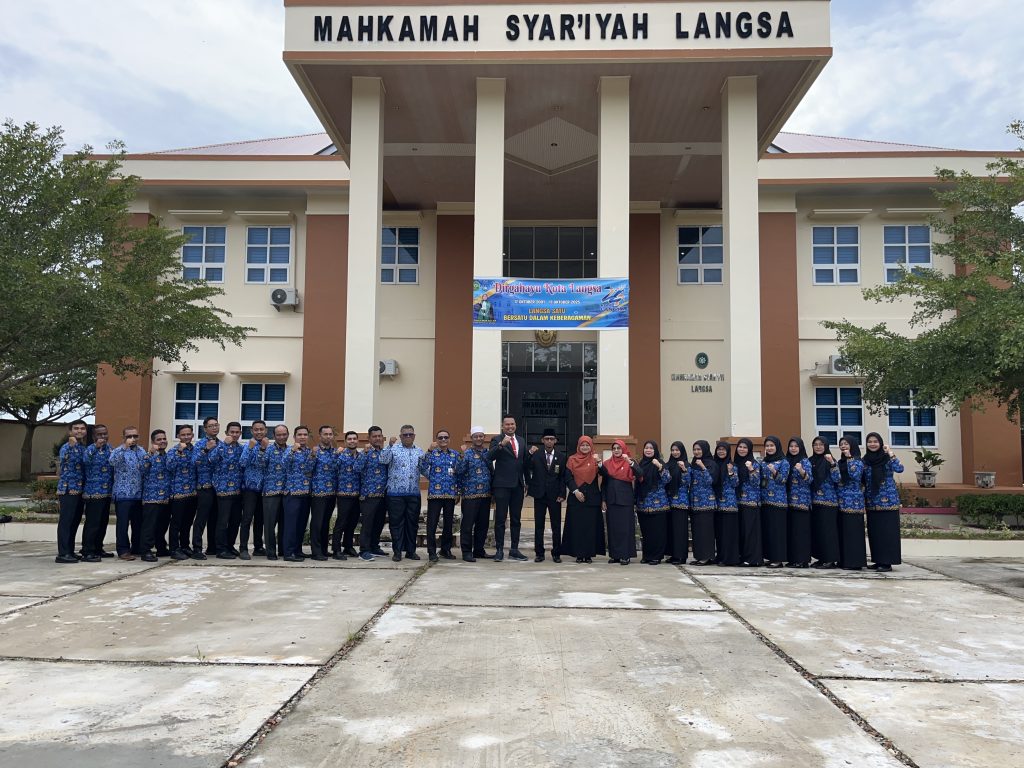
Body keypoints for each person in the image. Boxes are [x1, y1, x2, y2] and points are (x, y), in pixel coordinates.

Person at [488, 415, 530, 562]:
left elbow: (524, 463)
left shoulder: (521, 440)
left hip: (518, 485)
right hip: (502, 485)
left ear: (515, 425)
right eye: (507, 425)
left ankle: (514, 549)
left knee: (516, 519)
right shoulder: (496, 439)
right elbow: (489, 456)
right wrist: (501, 445)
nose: (510, 427)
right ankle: (499, 549)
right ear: (502, 426)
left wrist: (527, 482)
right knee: (500, 519)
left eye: (512, 424)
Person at [380, 425, 425, 562]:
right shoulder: (393, 449)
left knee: (412, 523)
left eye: (410, 434)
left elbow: (424, 469)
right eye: (405, 435)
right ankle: (397, 552)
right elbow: (383, 460)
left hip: (413, 493)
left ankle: (411, 551)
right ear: (400, 436)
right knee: (396, 523)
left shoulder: (419, 451)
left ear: (414, 436)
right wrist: (389, 445)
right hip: (395, 494)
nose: (408, 437)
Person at [863, 432, 904, 572]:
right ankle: (878, 560)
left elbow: (900, 468)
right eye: (869, 442)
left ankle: (887, 562)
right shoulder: (866, 460)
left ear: (880, 443)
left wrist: (891, 453)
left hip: (888, 502)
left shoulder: (887, 458)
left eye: (875, 441)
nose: (872, 444)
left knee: (887, 532)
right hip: (872, 501)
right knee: (875, 533)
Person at [419, 429, 462, 562]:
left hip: (450, 494)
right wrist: (429, 451)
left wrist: (458, 492)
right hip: (435, 495)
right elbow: (421, 466)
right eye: (440, 438)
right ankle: (432, 551)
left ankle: (445, 549)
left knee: (448, 524)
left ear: (449, 439)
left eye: (445, 437)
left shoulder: (455, 454)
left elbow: (459, 473)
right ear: (436, 440)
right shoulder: (432, 454)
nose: (443, 440)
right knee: (432, 524)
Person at [561, 435, 604, 564]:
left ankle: (589, 554)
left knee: (590, 528)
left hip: (592, 499)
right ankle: (578, 554)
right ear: (578, 446)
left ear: (591, 446)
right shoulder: (572, 459)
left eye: (587, 445)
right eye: (582, 445)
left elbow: (605, 475)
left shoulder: (596, 459)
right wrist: (575, 491)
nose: (585, 447)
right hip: (576, 498)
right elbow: (567, 478)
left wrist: (600, 464)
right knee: (577, 527)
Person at [526, 428, 567, 563]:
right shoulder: (536, 455)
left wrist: (562, 493)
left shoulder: (561, 456)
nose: (549, 441)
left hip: (555, 496)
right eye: (547, 439)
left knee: (556, 525)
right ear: (542, 440)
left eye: (552, 439)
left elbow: (562, 477)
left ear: (555, 441)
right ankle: (539, 553)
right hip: (540, 495)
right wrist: (529, 454)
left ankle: (556, 553)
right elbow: (526, 468)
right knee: (539, 525)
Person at [109, 426, 147, 561]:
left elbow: (146, 466)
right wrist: (125, 447)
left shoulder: (141, 451)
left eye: (135, 436)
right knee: (123, 524)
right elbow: (112, 462)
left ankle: (136, 548)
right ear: (123, 438)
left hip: (138, 494)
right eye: (129, 436)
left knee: (138, 524)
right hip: (123, 494)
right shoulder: (118, 450)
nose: (133, 439)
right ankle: (123, 550)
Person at [209, 421, 244, 559]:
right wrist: (224, 444)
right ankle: (221, 549)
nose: (234, 435)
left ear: (240, 434)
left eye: (237, 432)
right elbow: (212, 459)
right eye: (232, 432)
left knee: (235, 521)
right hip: (223, 490)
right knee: (223, 521)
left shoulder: (241, 449)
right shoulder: (219, 446)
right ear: (226, 433)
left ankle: (230, 546)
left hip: (237, 490)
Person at [458, 427, 492, 562]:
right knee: (467, 524)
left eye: (481, 436)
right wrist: (463, 455)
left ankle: (479, 550)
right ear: (472, 438)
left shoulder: (488, 453)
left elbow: (492, 471)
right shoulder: (467, 453)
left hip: (485, 494)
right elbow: (459, 471)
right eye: (476, 436)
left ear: (484, 438)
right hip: (470, 494)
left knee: (483, 524)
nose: (479, 439)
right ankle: (466, 551)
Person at [832, 437, 867, 570]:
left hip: (854, 503)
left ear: (852, 446)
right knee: (843, 532)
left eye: (846, 444)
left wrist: (850, 458)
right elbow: (836, 479)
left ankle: (855, 562)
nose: (843, 446)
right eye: (841, 444)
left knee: (853, 533)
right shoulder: (840, 462)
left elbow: (855, 475)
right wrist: (832, 465)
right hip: (841, 502)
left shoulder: (857, 461)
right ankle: (844, 561)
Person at [55, 419, 88, 564]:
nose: (79, 431)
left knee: (74, 522)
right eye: (76, 428)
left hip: (80, 490)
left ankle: (70, 551)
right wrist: (71, 446)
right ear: (70, 431)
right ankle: (62, 553)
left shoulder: (83, 447)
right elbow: (64, 460)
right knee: (66, 522)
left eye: (82, 428)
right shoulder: (67, 446)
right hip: (68, 489)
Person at [600, 439, 637, 565]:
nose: (616, 450)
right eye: (614, 448)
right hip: (611, 499)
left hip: (625, 500)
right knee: (613, 528)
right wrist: (603, 499)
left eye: (618, 448)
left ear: (623, 449)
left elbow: (639, 473)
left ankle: (625, 555)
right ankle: (615, 555)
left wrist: (630, 462)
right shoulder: (606, 464)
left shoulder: (630, 462)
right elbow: (604, 483)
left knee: (625, 528)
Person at [81, 424, 114, 560]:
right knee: (93, 524)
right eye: (99, 435)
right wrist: (95, 447)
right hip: (93, 492)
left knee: (102, 523)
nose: (103, 437)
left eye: (105, 434)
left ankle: (98, 548)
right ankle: (87, 550)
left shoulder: (110, 448)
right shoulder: (90, 449)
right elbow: (85, 461)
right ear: (94, 436)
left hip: (107, 492)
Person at [282, 425, 315, 561]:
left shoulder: (309, 451)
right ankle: (288, 553)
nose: (302, 437)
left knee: (302, 524)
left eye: (305, 435)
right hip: (292, 492)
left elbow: (310, 469)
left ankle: (297, 550)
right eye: (300, 435)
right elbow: (284, 464)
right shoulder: (290, 449)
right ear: (294, 437)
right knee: (291, 524)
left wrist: (313, 456)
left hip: (306, 493)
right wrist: (292, 452)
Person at [356, 426, 389, 561]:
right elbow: (357, 468)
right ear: (369, 438)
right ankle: (364, 550)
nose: (377, 438)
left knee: (379, 522)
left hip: (383, 494)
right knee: (368, 523)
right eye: (374, 436)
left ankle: (374, 546)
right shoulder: (365, 453)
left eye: (379, 436)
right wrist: (364, 453)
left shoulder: (385, 452)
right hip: (369, 494)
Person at [636, 440, 671, 565]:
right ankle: (647, 555)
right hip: (643, 504)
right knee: (646, 532)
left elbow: (667, 479)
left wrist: (660, 467)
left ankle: (657, 556)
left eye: (651, 448)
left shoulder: (660, 463)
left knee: (658, 532)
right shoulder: (641, 464)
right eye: (646, 448)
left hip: (659, 504)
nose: (648, 450)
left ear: (655, 450)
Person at [166, 425, 198, 560]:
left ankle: (185, 546)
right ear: (178, 436)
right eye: (183, 435)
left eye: (188, 434)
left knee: (187, 522)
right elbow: (170, 467)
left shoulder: (195, 450)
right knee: (176, 523)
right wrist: (179, 451)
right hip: (177, 492)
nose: (186, 437)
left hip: (192, 492)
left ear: (192, 435)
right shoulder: (173, 451)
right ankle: (174, 548)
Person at [260, 424, 291, 560]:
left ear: (288, 435)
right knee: (270, 524)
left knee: (285, 523)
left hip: (287, 492)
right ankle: (271, 552)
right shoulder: (268, 449)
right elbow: (260, 463)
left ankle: (283, 550)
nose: (282, 437)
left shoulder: (291, 450)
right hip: (271, 492)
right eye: (279, 435)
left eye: (284, 434)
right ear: (274, 436)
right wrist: (262, 448)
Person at [191, 417, 220, 559]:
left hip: (219, 487)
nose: (214, 428)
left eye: (216, 425)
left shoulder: (221, 443)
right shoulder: (201, 443)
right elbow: (194, 461)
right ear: (205, 428)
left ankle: (212, 547)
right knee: (201, 518)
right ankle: (197, 548)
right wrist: (206, 450)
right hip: (204, 486)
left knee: (215, 518)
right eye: (211, 426)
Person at [809, 436, 841, 569]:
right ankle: (821, 558)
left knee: (828, 531)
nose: (818, 447)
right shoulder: (810, 461)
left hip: (829, 502)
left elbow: (837, 478)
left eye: (821, 444)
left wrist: (832, 464)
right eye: (815, 444)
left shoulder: (830, 460)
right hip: (814, 501)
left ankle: (830, 559)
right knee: (818, 531)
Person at [140, 430, 171, 562]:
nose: (162, 441)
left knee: (162, 525)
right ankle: (146, 551)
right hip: (152, 497)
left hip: (165, 497)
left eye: (164, 438)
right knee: (150, 525)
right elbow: (142, 469)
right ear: (153, 442)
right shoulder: (149, 456)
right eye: (159, 439)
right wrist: (150, 454)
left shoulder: (168, 456)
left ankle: (161, 547)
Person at [309, 426, 339, 561]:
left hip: (331, 492)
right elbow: (308, 470)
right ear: (320, 436)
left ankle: (324, 549)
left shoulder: (335, 452)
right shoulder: (314, 451)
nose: (328, 436)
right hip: (318, 493)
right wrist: (312, 456)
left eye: (330, 434)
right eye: (325, 434)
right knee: (317, 523)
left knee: (326, 522)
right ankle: (316, 551)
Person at [239, 420, 269, 558]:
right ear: (251, 431)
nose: (259, 432)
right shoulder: (248, 445)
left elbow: (265, 464)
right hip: (250, 488)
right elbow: (242, 463)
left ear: (266, 430)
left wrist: (263, 449)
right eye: (256, 430)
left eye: (261, 429)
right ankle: (243, 548)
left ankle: (258, 547)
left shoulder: (270, 446)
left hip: (264, 488)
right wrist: (252, 448)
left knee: (260, 519)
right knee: (247, 518)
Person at [760, 435, 789, 568]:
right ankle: (770, 557)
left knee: (777, 531)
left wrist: (774, 472)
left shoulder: (784, 462)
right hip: (765, 500)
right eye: (767, 446)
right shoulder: (763, 462)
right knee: (768, 530)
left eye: (772, 446)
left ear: (777, 447)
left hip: (778, 501)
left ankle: (778, 559)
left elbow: (783, 480)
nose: (769, 448)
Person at [334, 430, 362, 560]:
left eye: (354, 439)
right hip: (343, 494)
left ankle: (348, 546)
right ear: (345, 441)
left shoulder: (361, 456)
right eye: (349, 439)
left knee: (352, 523)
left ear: (357, 441)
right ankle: (336, 549)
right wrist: (336, 454)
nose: (352, 441)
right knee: (341, 522)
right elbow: (332, 469)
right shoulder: (340, 455)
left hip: (357, 494)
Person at [734, 438, 763, 567]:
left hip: (751, 502)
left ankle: (752, 559)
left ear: (749, 449)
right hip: (738, 502)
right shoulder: (735, 463)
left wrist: (751, 469)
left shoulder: (754, 463)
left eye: (745, 447)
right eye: (740, 447)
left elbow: (756, 482)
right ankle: (742, 556)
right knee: (741, 531)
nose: (742, 449)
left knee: (750, 531)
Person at [688, 440, 718, 565]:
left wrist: (703, 467)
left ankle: (707, 557)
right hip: (695, 502)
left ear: (705, 450)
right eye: (694, 449)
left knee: (706, 531)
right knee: (697, 531)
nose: (696, 452)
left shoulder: (711, 463)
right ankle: (699, 556)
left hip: (707, 503)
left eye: (699, 449)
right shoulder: (693, 463)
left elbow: (710, 481)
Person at [786, 437, 813, 568]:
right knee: (792, 532)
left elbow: (810, 480)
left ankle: (802, 560)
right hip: (789, 501)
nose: (793, 448)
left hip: (802, 502)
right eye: (791, 446)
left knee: (801, 532)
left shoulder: (805, 461)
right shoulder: (786, 461)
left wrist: (802, 471)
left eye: (796, 446)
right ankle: (793, 559)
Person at [713, 441, 741, 566]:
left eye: (724, 450)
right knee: (719, 533)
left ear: (728, 451)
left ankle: (729, 558)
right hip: (717, 504)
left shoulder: (732, 465)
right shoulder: (714, 465)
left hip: (729, 504)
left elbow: (735, 484)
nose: (721, 452)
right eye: (719, 449)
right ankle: (720, 556)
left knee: (728, 533)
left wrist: (730, 472)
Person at [665, 441, 690, 565]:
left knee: (680, 530)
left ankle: (681, 556)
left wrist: (684, 470)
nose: (675, 452)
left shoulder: (686, 464)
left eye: (677, 450)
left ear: (682, 451)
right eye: (673, 450)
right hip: (669, 501)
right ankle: (673, 554)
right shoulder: (668, 464)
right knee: (671, 529)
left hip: (681, 501)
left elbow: (688, 482)